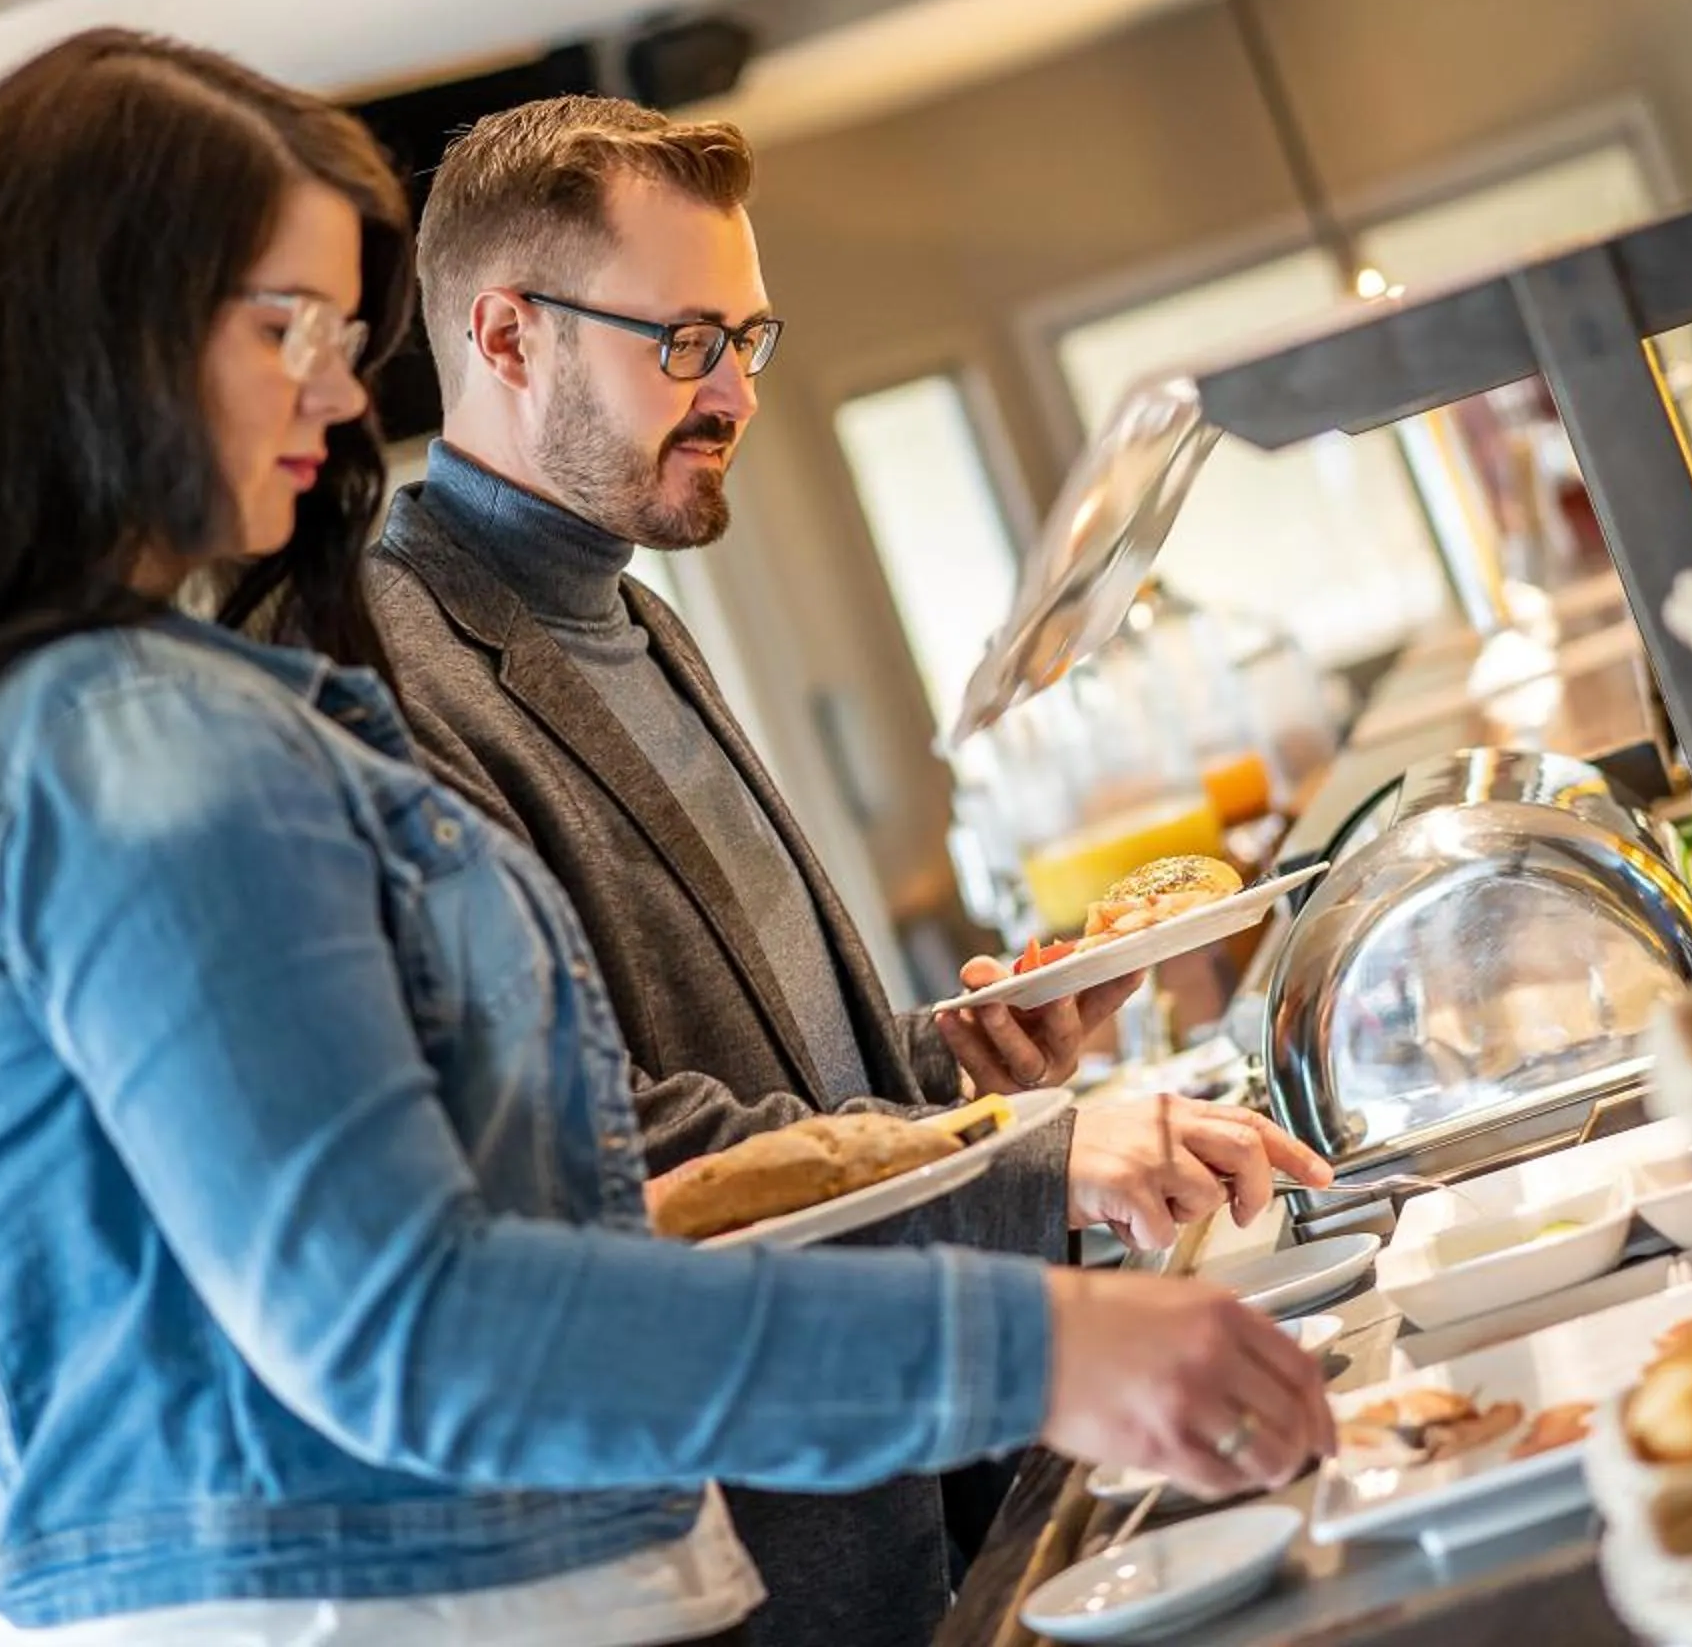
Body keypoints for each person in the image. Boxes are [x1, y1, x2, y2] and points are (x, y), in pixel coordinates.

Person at [0, 30, 1333, 1646]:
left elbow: (544, 1159)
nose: (345, 389)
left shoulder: (70, 723)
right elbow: (415, 1321)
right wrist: (1035, 1339)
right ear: (91, 342)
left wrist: (969, 1134)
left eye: (343, 333)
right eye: (288, 326)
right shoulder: (135, 745)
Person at [367, 95, 1332, 1647]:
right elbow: (601, 1143)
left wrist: (954, 1076)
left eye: (751, 337)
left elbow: (772, 1057)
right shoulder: (401, 681)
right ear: (506, 335)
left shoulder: (639, 613)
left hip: (926, 1480)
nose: (737, 391)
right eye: (688, 342)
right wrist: (1030, 1159)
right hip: (763, 1542)